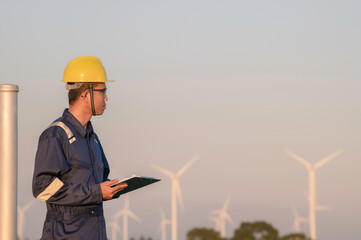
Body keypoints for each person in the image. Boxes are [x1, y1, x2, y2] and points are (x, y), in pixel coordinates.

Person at [32, 56, 127, 239]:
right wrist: (97, 191)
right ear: (85, 94)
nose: (106, 97)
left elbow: (97, 182)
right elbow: (42, 187)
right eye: (102, 91)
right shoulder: (55, 135)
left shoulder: (92, 137)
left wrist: (113, 188)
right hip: (65, 235)